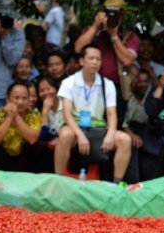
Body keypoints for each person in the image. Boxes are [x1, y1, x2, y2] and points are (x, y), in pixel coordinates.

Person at [54, 44, 132, 182]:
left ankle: (116, 184)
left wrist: (110, 134)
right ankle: (58, 180)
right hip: (75, 127)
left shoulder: (107, 84)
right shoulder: (68, 82)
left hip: (97, 127)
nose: (95, 62)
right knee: (65, 134)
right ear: (82, 61)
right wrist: (80, 135)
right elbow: (67, 114)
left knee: (125, 140)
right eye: (91, 58)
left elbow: (111, 114)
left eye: (98, 59)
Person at [0, 82, 41, 171]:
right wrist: (8, 119)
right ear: (8, 99)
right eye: (16, 98)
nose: (20, 102)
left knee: (40, 147)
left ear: (28, 100)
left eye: (24, 98)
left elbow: (32, 139)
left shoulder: (34, 114)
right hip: (2, 158)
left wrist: (16, 116)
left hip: (25, 159)